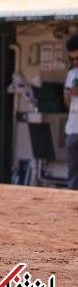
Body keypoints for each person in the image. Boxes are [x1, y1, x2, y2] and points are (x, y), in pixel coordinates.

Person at [65, 35, 78, 190]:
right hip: (72, 128)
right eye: (72, 59)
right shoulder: (72, 74)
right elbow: (66, 102)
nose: (75, 62)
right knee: (73, 171)